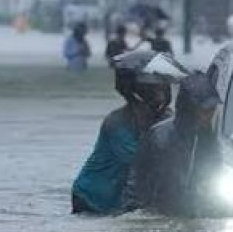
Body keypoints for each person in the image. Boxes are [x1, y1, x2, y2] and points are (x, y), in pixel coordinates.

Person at [71, 68, 172, 215]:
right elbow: (137, 159)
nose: (159, 95)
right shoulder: (116, 122)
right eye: (153, 90)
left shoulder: (166, 119)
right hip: (92, 197)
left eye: (161, 88)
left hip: (123, 196)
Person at [122, 72, 222, 216]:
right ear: (190, 109)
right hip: (158, 216)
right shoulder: (160, 138)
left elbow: (213, 171)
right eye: (205, 111)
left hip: (191, 215)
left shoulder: (206, 137)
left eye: (212, 110)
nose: (210, 116)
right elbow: (137, 185)